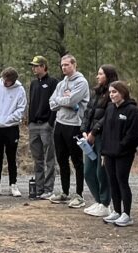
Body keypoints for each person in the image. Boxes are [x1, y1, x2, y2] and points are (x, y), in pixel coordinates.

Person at [93, 80, 138, 227]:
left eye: (115, 92)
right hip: (109, 153)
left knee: (122, 182)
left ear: (123, 92)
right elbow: (106, 131)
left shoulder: (132, 110)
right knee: (112, 182)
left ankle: (126, 213)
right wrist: (103, 152)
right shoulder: (109, 108)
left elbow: (132, 135)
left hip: (123, 154)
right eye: (110, 92)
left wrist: (121, 147)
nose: (112, 95)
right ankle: (117, 210)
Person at [49, 54, 90, 207]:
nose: (64, 67)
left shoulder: (81, 82)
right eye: (62, 65)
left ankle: (79, 195)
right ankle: (65, 192)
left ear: (74, 64)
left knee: (77, 160)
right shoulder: (61, 84)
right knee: (61, 159)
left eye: (67, 64)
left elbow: (72, 100)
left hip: (74, 124)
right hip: (60, 123)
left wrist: (64, 100)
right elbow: (51, 103)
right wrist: (63, 100)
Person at [81, 65, 118, 217]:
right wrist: (84, 130)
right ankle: (98, 200)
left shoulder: (113, 93)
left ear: (108, 76)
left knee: (101, 171)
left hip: (102, 137)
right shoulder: (95, 92)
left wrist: (94, 132)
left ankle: (105, 203)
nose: (97, 76)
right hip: (88, 137)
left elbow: (106, 117)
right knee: (88, 171)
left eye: (100, 74)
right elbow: (88, 112)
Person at [0, 67, 27, 197]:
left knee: (11, 157)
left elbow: (21, 109)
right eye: (4, 79)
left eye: (8, 81)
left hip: (11, 128)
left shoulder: (20, 90)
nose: (5, 82)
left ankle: (13, 185)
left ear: (13, 80)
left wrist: (8, 120)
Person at [26, 56, 59, 199]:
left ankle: (48, 188)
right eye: (33, 66)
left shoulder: (53, 83)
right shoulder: (33, 84)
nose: (34, 68)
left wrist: (50, 122)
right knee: (37, 159)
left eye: (36, 65)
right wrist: (30, 121)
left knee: (49, 158)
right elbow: (31, 103)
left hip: (46, 125)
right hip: (34, 125)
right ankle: (38, 188)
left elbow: (55, 104)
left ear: (44, 66)